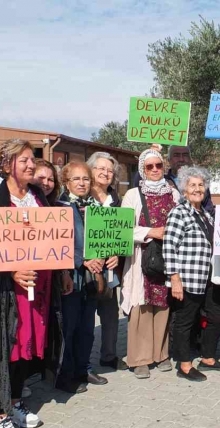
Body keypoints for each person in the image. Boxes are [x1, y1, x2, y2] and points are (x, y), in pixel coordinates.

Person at [0, 139, 73, 428]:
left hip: (37, 289)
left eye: (32, 159)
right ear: (5, 165)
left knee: (27, 347)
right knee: (6, 347)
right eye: (23, 160)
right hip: (4, 294)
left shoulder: (38, 196)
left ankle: (14, 401)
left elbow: (55, 239)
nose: (30, 165)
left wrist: (63, 271)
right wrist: (11, 270)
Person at [163, 165, 220, 382]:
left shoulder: (206, 215)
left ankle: (208, 357)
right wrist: (174, 277)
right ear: (184, 190)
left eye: (201, 185)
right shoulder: (178, 212)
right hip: (188, 278)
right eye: (192, 185)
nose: (198, 189)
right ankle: (184, 365)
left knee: (218, 314)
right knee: (184, 321)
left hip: (209, 277)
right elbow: (169, 246)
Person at [120, 149, 180, 379]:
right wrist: (152, 232)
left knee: (163, 306)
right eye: (149, 167)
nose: (155, 170)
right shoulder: (133, 195)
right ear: (142, 170)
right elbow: (124, 228)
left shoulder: (173, 193)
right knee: (142, 307)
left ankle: (161, 354)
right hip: (141, 257)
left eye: (158, 165)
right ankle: (140, 358)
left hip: (167, 257)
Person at [58, 161, 108, 391]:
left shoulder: (96, 207)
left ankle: (84, 368)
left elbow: (107, 237)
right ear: (66, 182)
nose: (81, 183)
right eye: (76, 179)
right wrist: (83, 260)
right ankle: (65, 375)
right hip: (71, 276)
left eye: (86, 179)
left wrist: (107, 256)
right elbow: (59, 242)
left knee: (87, 327)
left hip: (93, 276)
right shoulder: (60, 206)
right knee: (70, 327)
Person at [86, 152, 124, 370]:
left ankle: (109, 356)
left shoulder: (116, 201)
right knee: (86, 318)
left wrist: (117, 253)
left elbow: (121, 233)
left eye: (109, 170)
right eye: (100, 168)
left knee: (110, 315)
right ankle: (83, 361)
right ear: (91, 170)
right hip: (87, 268)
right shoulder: (80, 198)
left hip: (110, 270)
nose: (105, 173)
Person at [130, 145, 213, 214]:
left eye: (185, 155)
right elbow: (140, 183)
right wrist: (151, 154)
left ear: (190, 159)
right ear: (169, 160)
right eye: (176, 155)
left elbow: (208, 209)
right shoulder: (161, 182)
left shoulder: (200, 183)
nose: (181, 159)